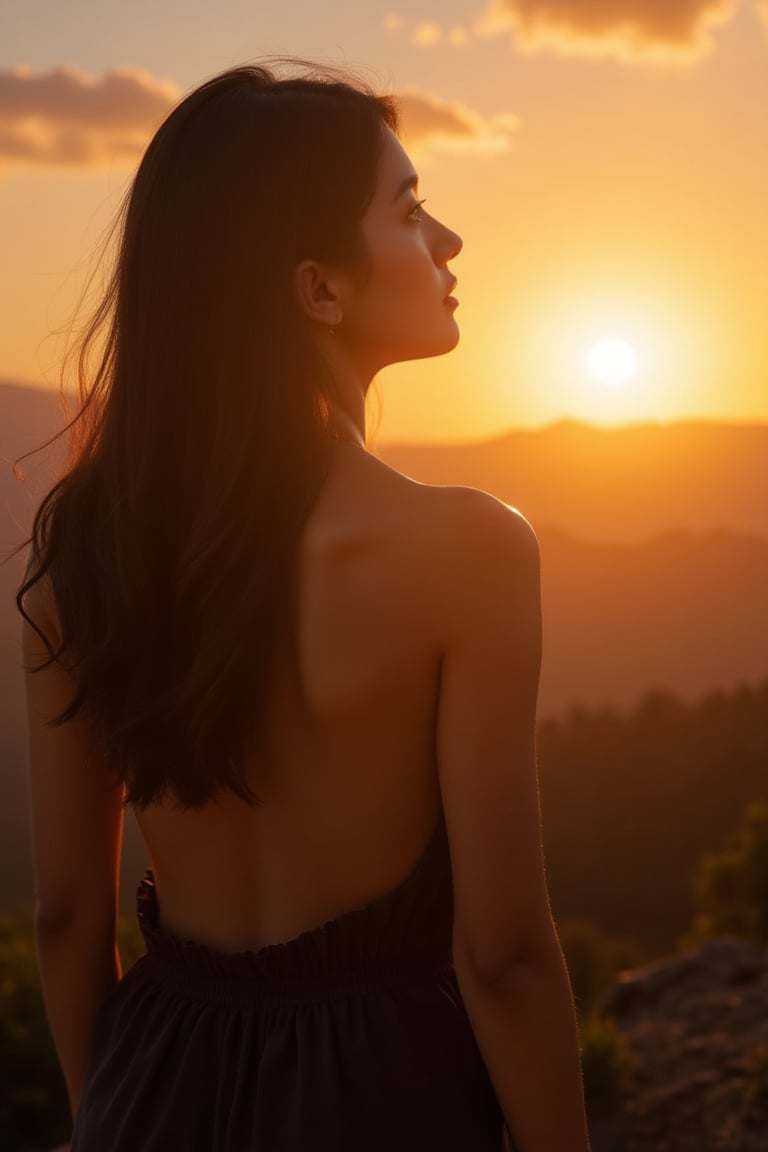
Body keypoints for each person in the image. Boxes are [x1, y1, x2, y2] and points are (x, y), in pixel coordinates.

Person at [17, 62, 592, 1151]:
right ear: (319, 289)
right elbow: (504, 952)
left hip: (152, 1088)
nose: (449, 244)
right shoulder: (468, 549)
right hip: (389, 1101)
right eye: (412, 211)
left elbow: (66, 915)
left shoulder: (83, 559)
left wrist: (115, 1113)